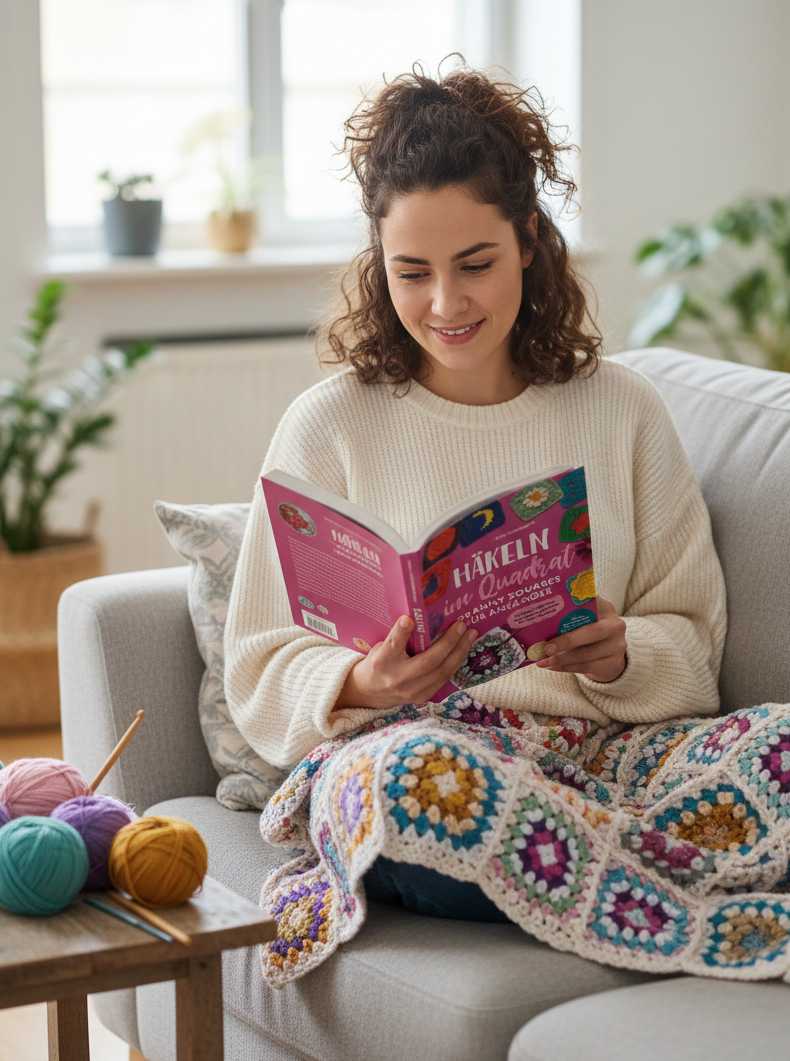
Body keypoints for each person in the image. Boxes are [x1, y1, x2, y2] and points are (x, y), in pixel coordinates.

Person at [225, 65, 726, 920]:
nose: (446, 302)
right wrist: (361, 682)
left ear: (529, 239)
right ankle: (653, 873)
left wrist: (621, 654)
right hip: (420, 763)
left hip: (604, 761)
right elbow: (258, 663)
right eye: (411, 271)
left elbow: (694, 638)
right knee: (414, 785)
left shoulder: (622, 409)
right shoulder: (329, 424)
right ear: (378, 262)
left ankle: (596, 868)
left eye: (476, 264)